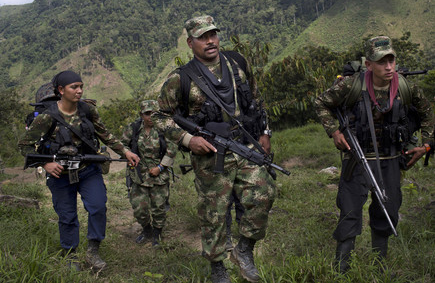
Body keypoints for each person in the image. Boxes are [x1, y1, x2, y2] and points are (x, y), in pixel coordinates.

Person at [152, 15, 276, 283]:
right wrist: (187, 140)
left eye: (213, 35)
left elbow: (255, 98)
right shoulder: (180, 78)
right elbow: (160, 116)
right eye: (202, 37)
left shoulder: (237, 64)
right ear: (190, 42)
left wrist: (265, 132)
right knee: (215, 214)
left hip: (243, 145)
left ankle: (243, 250)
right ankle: (217, 267)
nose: (210, 41)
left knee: (264, 193)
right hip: (209, 155)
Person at [315, 36, 434, 273]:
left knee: (387, 211)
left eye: (391, 60)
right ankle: (342, 270)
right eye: (382, 62)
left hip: (390, 159)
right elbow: (321, 103)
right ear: (369, 64)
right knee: (349, 211)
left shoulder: (405, 87)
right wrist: (334, 131)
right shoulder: (351, 85)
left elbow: (427, 114)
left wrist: (426, 145)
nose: (389, 67)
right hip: (357, 159)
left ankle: (379, 267)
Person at [18, 71, 140, 271]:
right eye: (74, 87)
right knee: (67, 215)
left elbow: (105, 134)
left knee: (98, 206)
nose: (79, 91)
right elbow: (24, 145)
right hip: (59, 174)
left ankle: (93, 250)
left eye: (81, 86)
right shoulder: (47, 118)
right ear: (61, 90)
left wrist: (125, 151)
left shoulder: (87, 110)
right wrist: (45, 163)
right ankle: (70, 254)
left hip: (87, 169)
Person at [121, 100, 176, 247]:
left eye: (154, 113)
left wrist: (161, 167)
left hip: (159, 175)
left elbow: (172, 149)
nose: (150, 117)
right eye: (147, 113)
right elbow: (122, 145)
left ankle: (157, 234)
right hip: (138, 175)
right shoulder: (134, 128)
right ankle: (147, 230)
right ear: (141, 114)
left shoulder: (164, 130)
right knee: (139, 208)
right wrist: (128, 155)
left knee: (159, 207)